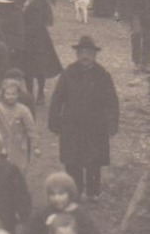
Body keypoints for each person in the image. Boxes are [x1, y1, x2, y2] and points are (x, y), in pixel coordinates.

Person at [47, 35, 120, 202]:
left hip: (96, 126)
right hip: (72, 126)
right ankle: (76, 192)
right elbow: (57, 99)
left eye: (88, 52)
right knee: (73, 160)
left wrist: (112, 124)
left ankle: (93, 192)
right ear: (77, 54)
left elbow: (112, 101)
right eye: (81, 52)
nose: (85, 56)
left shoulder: (103, 75)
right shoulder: (69, 74)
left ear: (95, 55)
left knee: (94, 160)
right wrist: (55, 123)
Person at [18, 171, 103, 234]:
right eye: (52, 194)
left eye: (61, 194)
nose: (57, 198)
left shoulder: (80, 215)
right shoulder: (45, 213)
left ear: (70, 193)